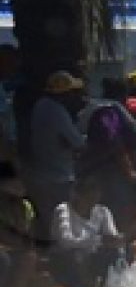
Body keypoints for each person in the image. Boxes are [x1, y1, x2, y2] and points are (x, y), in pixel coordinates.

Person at [25, 71, 87, 245]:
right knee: (60, 225)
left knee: (44, 223)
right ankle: (59, 262)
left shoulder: (40, 106)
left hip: (41, 174)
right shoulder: (57, 111)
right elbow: (78, 142)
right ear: (64, 93)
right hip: (59, 176)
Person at [50, 178, 122, 287]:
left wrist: (115, 240)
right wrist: (98, 240)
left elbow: (111, 237)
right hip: (66, 257)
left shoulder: (103, 211)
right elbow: (65, 241)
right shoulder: (63, 210)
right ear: (77, 195)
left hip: (93, 255)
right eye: (88, 198)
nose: (91, 202)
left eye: (95, 198)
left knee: (114, 253)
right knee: (76, 255)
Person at [80, 78, 136, 222]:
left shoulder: (102, 108)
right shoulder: (108, 111)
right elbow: (114, 142)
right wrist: (129, 169)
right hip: (108, 170)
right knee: (116, 209)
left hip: (103, 168)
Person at [0, 162, 36, 287]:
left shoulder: (25, 206)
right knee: (3, 260)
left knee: (29, 257)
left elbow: (25, 235)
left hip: (12, 247)